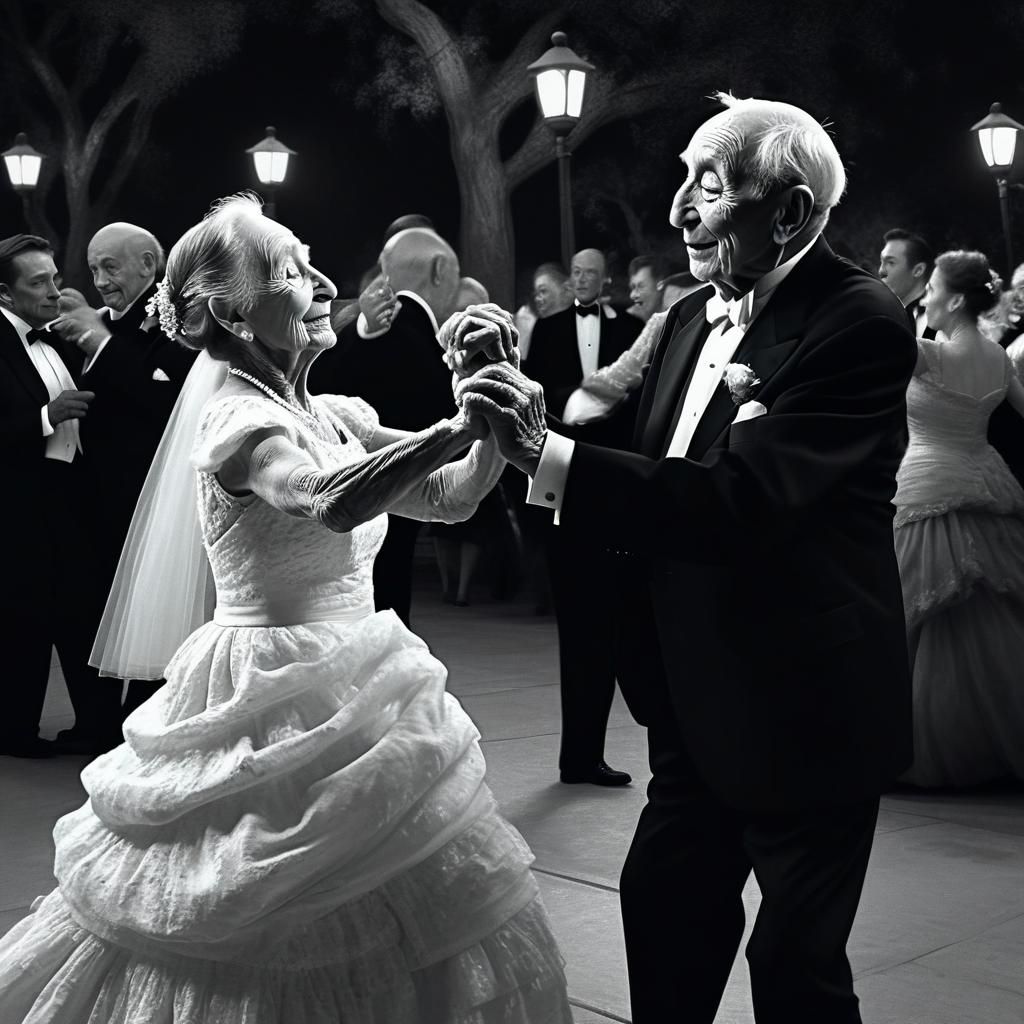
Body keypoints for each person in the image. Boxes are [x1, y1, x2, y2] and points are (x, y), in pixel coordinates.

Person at [0, 194, 571, 1022]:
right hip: (262, 690)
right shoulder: (236, 419)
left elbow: (447, 500)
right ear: (233, 312)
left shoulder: (335, 413)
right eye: (294, 270)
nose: (326, 279)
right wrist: (457, 424)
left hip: (358, 680)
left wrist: (489, 405)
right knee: (256, 908)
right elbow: (327, 499)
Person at [460, 92, 917, 1022]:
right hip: (694, 705)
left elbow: (737, 500)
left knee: (796, 966)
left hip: (808, 707)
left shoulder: (859, 322)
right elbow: (622, 449)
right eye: (682, 182)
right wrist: (499, 387)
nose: (677, 212)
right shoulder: (682, 322)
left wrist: (545, 455)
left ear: (787, 214)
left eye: (708, 189)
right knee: (665, 908)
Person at [52, 222, 197, 742]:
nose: (100, 279)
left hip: (150, 503)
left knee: (147, 615)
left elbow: (167, 404)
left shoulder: (178, 324)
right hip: (89, 504)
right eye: (93, 268)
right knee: (84, 611)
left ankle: (138, 727)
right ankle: (95, 723)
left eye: (110, 267)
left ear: (148, 265)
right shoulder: (80, 328)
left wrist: (99, 339)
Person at [893, 250, 1024, 787]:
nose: (925, 297)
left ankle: (905, 746)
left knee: (909, 620)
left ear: (956, 299)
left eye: (933, 289)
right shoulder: (998, 356)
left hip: (926, 487)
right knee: (990, 624)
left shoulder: (927, 354)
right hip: (986, 484)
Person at [522, 247, 641, 787]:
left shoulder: (637, 329)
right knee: (583, 626)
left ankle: (591, 755)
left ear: (606, 280)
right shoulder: (545, 331)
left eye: (593, 274)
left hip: (621, 482)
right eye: (577, 274)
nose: (584, 282)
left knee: (620, 629)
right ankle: (580, 756)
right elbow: (534, 404)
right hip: (564, 479)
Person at [0, 234, 119, 758]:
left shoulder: (56, 337)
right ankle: (14, 733)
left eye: (54, 276)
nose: (54, 289)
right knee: (24, 617)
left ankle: (97, 725)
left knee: (81, 607)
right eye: (38, 282)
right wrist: (49, 416)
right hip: (18, 504)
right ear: (5, 294)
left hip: (68, 499)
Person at [309, 227, 461, 626]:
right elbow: (448, 427)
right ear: (441, 269)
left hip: (341, 498)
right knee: (386, 611)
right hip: (394, 503)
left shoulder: (362, 330)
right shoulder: (415, 340)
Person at [878, 227, 936, 338]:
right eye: (882, 261)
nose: (881, 271)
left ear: (918, 270)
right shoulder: (879, 313)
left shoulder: (946, 314)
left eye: (890, 262)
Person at [626, 255, 668, 323]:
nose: (632, 295)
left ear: (661, 285)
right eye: (632, 287)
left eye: (641, 286)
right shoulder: (628, 320)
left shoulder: (679, 317)